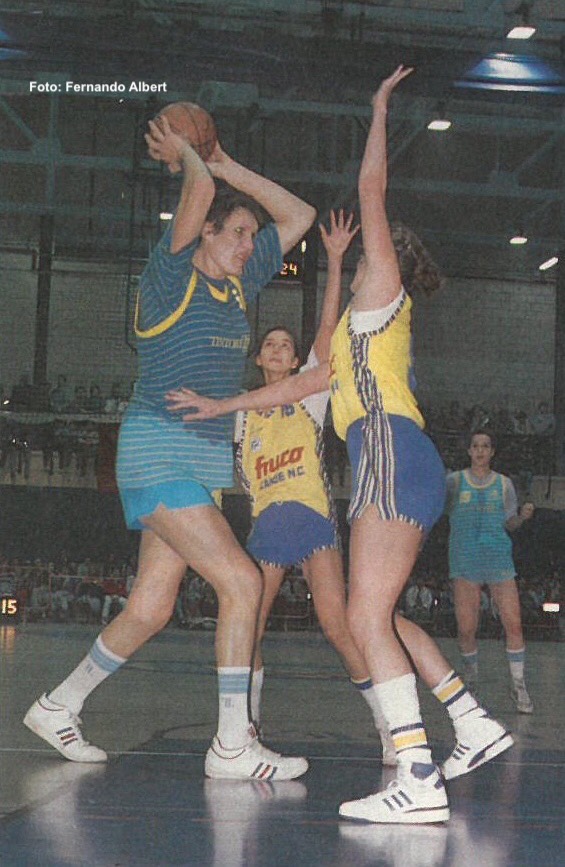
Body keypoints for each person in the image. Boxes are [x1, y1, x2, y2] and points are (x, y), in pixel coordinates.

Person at [167, 66, 514, 824]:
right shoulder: (352, 343)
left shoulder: (382, 290)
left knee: (359, 619)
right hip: (394, 458)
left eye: (358, 263)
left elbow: (370, 194)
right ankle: (474, 722)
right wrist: (223, 400)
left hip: (389, 450)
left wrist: (377, 108)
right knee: (379, 615)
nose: (357, 266)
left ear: (380, 266)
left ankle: (417, 773)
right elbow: (294, 383)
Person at [24, 109, 316, 781]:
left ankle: (58, 703)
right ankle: (232, 746)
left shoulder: (239, 283)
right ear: (205, 235)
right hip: (157, 448)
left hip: (200, 462)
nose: (250, 243)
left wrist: (223, 162)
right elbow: (200, 199)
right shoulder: (170, 275)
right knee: (240, 581)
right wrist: (191, 158)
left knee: (152, 607)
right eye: (237, 233)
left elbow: (297, 215)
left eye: (250, 236)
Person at [231, 211, 394, 763]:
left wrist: (334, 259)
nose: (279, 349)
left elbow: (328, 329)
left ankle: (388, 724)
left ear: (297, 361)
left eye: (286, 345)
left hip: (312, 517)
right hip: (268, 523)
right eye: (270, 345)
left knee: (339, 623)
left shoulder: (310, 396)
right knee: (246, 624)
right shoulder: (241, 415)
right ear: (259, 359)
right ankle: (243, 729)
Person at [446, 428, 535, 713]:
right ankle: (471, 678)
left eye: (486, 446)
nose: (481, 450)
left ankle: (518, 684)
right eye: (476, 446)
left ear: (492, 452)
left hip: (498, 560)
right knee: (467, 628)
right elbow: (433, 508)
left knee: (514, 622)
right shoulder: (454, 482)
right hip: (464, 560)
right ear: (469, 451)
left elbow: (510, 524)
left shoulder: (504, 485)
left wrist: (521, 517)